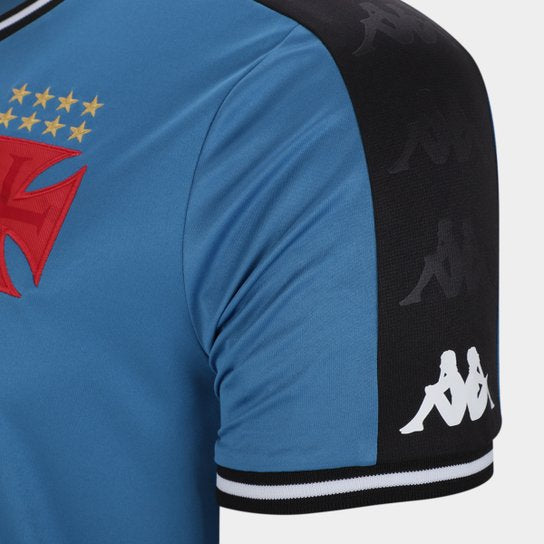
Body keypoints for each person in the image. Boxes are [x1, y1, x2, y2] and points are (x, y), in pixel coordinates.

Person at [400, 350, 467, 434]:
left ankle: (417, 422)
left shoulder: (453, 376)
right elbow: (439, 385)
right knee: (432, 392)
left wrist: (431, 386)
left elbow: (436, 388)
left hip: (454, 418)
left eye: (442, 362)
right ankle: (417, 421)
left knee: (432, 392)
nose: (440, 365)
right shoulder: (454, 375)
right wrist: (442, 372)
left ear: (448, 363)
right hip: (454, 417)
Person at [465, 346, 495, 421]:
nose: (478, 356)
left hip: (480, 415)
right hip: (475, 412)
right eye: (476, 355)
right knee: (485, 380)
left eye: (477, 354)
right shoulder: (473, 375)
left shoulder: (475, 374)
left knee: (485, 380)